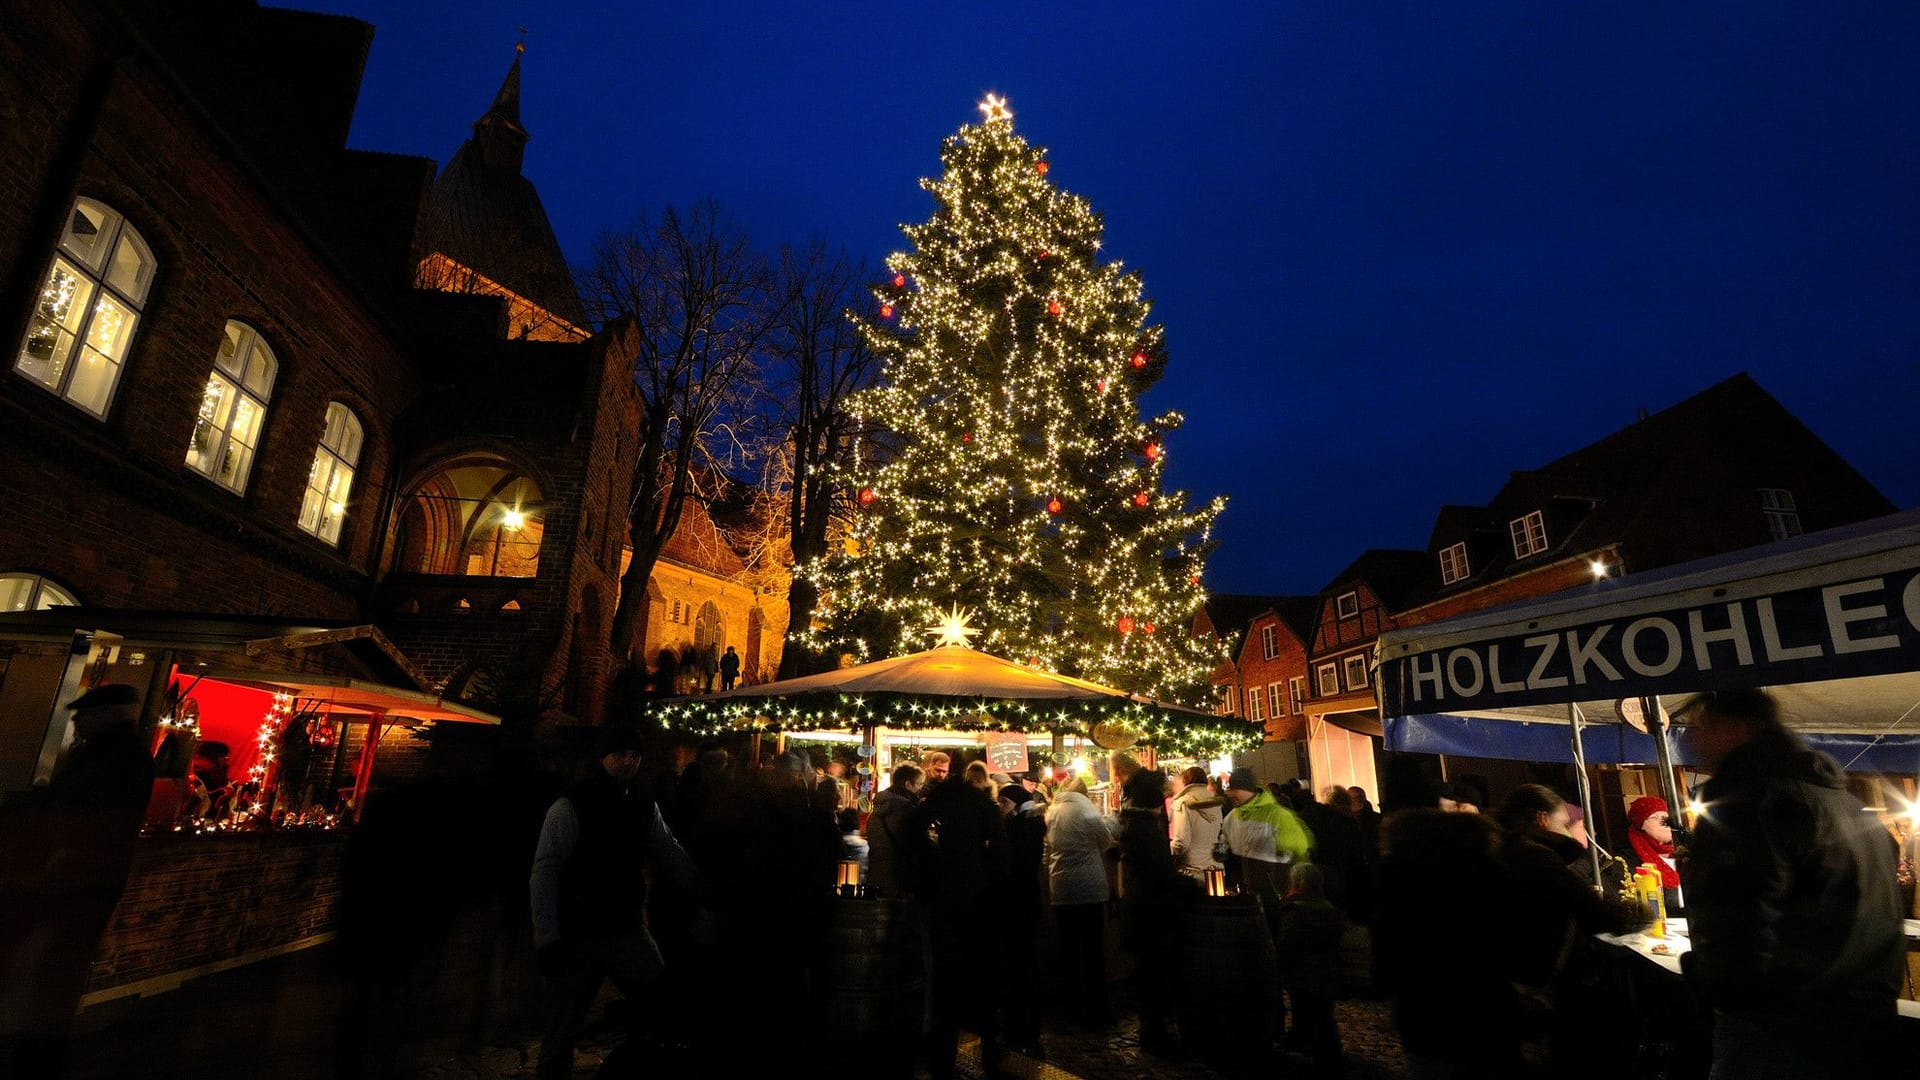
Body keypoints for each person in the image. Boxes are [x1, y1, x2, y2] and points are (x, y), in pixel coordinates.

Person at [1677, 688, 1905, 1078]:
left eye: (1704, 725)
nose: (1690, 738)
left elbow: (1739, 915)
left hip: (1782, 1029)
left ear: (1742, 729)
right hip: (1865, 1019)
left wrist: (1715, 983)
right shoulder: (1844, 803)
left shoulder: (1752, 800)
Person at [528, 726, 702, 1080]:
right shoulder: (571, 805)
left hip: (626, 926)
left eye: (634, 755)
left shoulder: (641, 802)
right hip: (580, 931)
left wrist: (701, 888)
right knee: (563, 1028)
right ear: (604, 757)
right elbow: (546, 870)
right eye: (620, 754)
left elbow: (668, 849)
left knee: (659, 1000)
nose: (628, 761)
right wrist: (547, 937)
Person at [0, 683, 156, 1078]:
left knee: (52, 963)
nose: (78, 720)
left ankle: (36, 1051)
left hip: (75, 878)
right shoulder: (121, 756)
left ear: (104, 715)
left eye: (84, 714)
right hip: (83, 879)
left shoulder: (108, 758)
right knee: (56, 965)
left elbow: (85, 814)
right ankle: (37, 1048)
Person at [1495, 784, 1648, 1078]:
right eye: (1565, 823)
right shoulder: (1537, 857)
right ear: (1542, 819)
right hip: (1543, 983)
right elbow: (1593, 912)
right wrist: (1638, 915)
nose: (1570, 832)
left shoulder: (1505, 850)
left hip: (1517, 980)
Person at [908, 755, 1009, 1078]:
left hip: (945, 900)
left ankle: (943, 1058)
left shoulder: (938, 801)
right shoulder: (983, 804)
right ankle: (990, 1050)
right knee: (985, 975)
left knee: (946, 980)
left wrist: (932, 865)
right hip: (980, 901)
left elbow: (914, 835)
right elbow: (1002, 853)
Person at [1221, 766, 1313, 1044]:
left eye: (1235, 790)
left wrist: (1292, 886)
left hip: (1279, 896)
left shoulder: (1276, 814)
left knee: (1288, 961)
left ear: (1248, 789)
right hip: (1254, 898)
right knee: (1264, 962)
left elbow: (1300, 849)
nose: (1231, 795)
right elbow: (1227, 850)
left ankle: (1301, 1028)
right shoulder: (1233, 817)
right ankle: (1272, 1022)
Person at [1045, 776, 1114, 1026]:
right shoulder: (1089, 810)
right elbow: (1106, 841)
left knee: (1068, 952)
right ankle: (1097, 1010)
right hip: (1090, 889)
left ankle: (1071, 1010)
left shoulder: (1052, 812)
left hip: (1061, 888)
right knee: (1093, 951)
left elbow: (1047, 849)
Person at [1277, 863, 1345, 1077]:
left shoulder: (1295, 910)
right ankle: (1330, 1054)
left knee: (1303, 1013)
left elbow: (1287, 944)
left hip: (1302, 974)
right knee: (1324, 1014)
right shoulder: (1330, 909)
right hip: (1326, 973)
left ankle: (1305, 1055)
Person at [997, 784, 1048, 1056]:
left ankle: (1020, 1026)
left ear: (1015, 803)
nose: (1000, 807)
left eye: (1003, 802)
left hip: (1017, 903)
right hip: (1027, 901)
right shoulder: (1030, 824)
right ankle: (1024, 1025)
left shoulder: (1021, 827)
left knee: (1019, 964)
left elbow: (1012, 863)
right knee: (1025, 963)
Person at [864, 763, 923, 898]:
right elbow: (913, 844)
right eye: (919, 784)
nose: (920, 789)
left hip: (876, 875)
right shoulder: (906, 811)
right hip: (899, 878)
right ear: (908, 784)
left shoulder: (875, 812)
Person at [1169, 765, 1226, 880]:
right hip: (1216, 868)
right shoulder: (1215, 801)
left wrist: (1166, 851)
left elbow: (1181, 842)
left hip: (1192, 870)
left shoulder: (1183, 803)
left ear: (1185, 781)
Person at [1625, 795, 1681, 913]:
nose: (1663, 822)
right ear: (1641, 825)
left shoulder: (1685, 852)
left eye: (1665, 817)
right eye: (1654, 817)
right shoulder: (1629, 861)